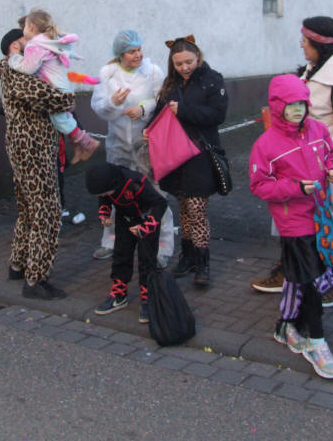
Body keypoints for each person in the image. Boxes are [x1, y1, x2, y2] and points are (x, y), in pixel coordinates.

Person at [251, 16, 333, 300]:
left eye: (305, 41)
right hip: (306, 158)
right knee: (301, 220)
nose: (301, 46)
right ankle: (294, 272)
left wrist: (315, 155)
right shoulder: (315, 67)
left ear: (319, 45)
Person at [249, 74, 333, 379]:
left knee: (299, 275)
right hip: (293, 220)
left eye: (301, 105)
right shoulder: (266, 144)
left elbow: (331, 153)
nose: (298, 112)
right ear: (277, 107)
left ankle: (286, 324)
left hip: (322, 214)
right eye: (290, 107)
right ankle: (316, 340)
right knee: (312, 277)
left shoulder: (316, 128)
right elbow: (260, 185)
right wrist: (295, 188)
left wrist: (332, 170)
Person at [0, 27, 76, 300]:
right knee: (48, 211)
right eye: (27, 40)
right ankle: (36, 279)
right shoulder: (17, 71)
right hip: (33, 148)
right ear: (15, 47)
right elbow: (45, 96)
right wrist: (68, 98)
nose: (34, 45)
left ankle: (18, 265)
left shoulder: (17, 69)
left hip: (27, 147)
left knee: (29, 209)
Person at [144, 35, 227, 287]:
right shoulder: (171, 85)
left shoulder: (213, 80)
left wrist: (185, 111)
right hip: (175, 155)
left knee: (197, 210)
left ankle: (203, 265)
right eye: (179, 64)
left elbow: (218, 115)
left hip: (200, 155)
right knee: (185, 209)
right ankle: (187, 257)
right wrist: (149, 128)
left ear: (198, 57)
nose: (184, 68)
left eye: (188, 62)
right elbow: (160, 113)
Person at [90, 29, 174, 266]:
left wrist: (143, 109)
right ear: (119, 55)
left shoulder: (152, 71)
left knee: (156, 195)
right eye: (131, 51)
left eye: (139, 49)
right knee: (115, 193)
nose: (138, 55)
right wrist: (112, 103)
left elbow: (162, 100)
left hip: (147, 145)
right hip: (118, 145)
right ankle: (111, 241)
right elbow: (98, 106)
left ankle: (163, 247)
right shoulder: (107, 73)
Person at [9, 8, 100, 163]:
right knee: (66, 118)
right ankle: (78, 145)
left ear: (30, 27)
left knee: (60, 120)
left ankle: (87, 143)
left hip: (56, 91)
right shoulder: (49, 41)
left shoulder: (34, 46)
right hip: (64, 87)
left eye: (24, 28)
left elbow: (28, 68)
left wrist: (14, 58)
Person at [86, 162, 167, 324]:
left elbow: (160, 203)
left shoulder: (135, 183)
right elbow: (104, 199)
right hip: (124, 220)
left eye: (106, 191)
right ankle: (119, 294)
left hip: (145, 220)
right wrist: (104, 215)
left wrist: (147, 227)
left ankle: (147, 296)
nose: (105, 195)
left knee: (147, 260)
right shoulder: (107, 186)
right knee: (121, 255)